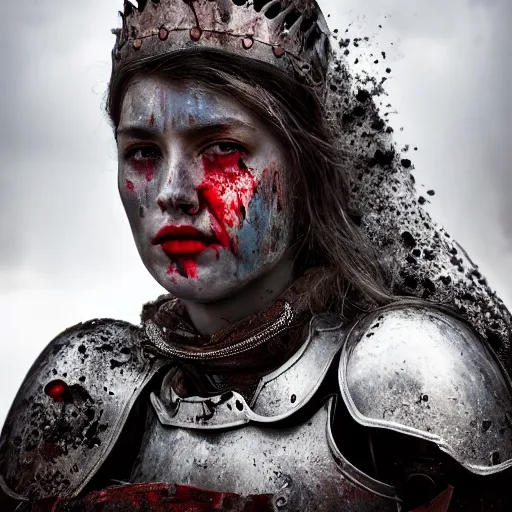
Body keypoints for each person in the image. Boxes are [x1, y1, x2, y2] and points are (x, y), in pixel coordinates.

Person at [1, 0, 511, 510]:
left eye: (220, 148)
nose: (172, 192)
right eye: (142, 152)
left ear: (306, 170)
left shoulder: (410, 378)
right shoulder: (81, 392)